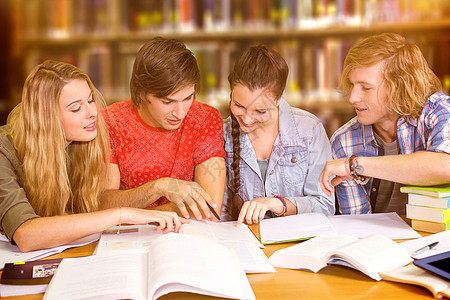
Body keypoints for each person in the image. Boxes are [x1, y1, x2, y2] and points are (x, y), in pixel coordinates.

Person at [0, 60, 187, 252]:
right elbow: (26, 235)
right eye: (75, 108)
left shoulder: (83, 142)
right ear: (46, 119)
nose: (93, 113)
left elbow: (80, 214)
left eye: (90, 100)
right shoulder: (3, 151)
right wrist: (120, 215)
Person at [319, 33, 450, 215]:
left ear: (400, 86)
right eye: (352, 85)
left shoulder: (439, 112)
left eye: (366, 88)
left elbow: (445, 167)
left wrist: (355, 166)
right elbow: (358, 222)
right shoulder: (344, 140)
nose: (353, 98)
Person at [101, 37, 226, 221]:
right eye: (167, 102)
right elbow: (103, 204)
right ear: (142, 93)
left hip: (185, 238)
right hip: (127, 240)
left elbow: (209, 211)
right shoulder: (110, 121)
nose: (180, 113)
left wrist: (129, 212)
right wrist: (159, 187)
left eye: (188, 98)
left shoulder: (206, 119)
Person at [221, 44, 335, 225]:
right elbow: (221, 214)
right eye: (239, 106)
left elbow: (324, 206)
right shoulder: (223, 135)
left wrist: (278, 204)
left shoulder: (309, 130)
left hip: (300, 242)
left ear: (279, 97)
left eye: (260, 111)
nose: (247, 119)